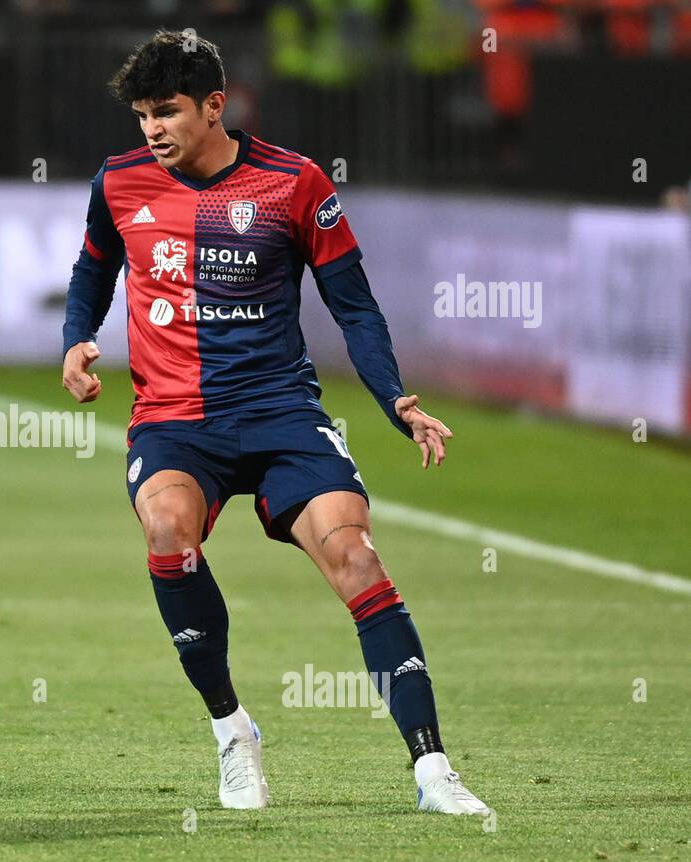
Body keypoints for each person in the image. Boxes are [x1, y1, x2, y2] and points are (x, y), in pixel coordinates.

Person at [61, 30, 490, 815]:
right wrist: (76, 341)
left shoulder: (292, 183)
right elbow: (93, 269)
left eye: (167, 112)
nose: (151, 130)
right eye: (142, 116)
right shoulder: (118, 182)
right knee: (167, 531)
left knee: (356, 557)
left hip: (283, 414)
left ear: (215, 106)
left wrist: (394, 398)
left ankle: (433, 771)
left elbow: (354, 307)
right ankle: (232, 730)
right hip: (175, 421)